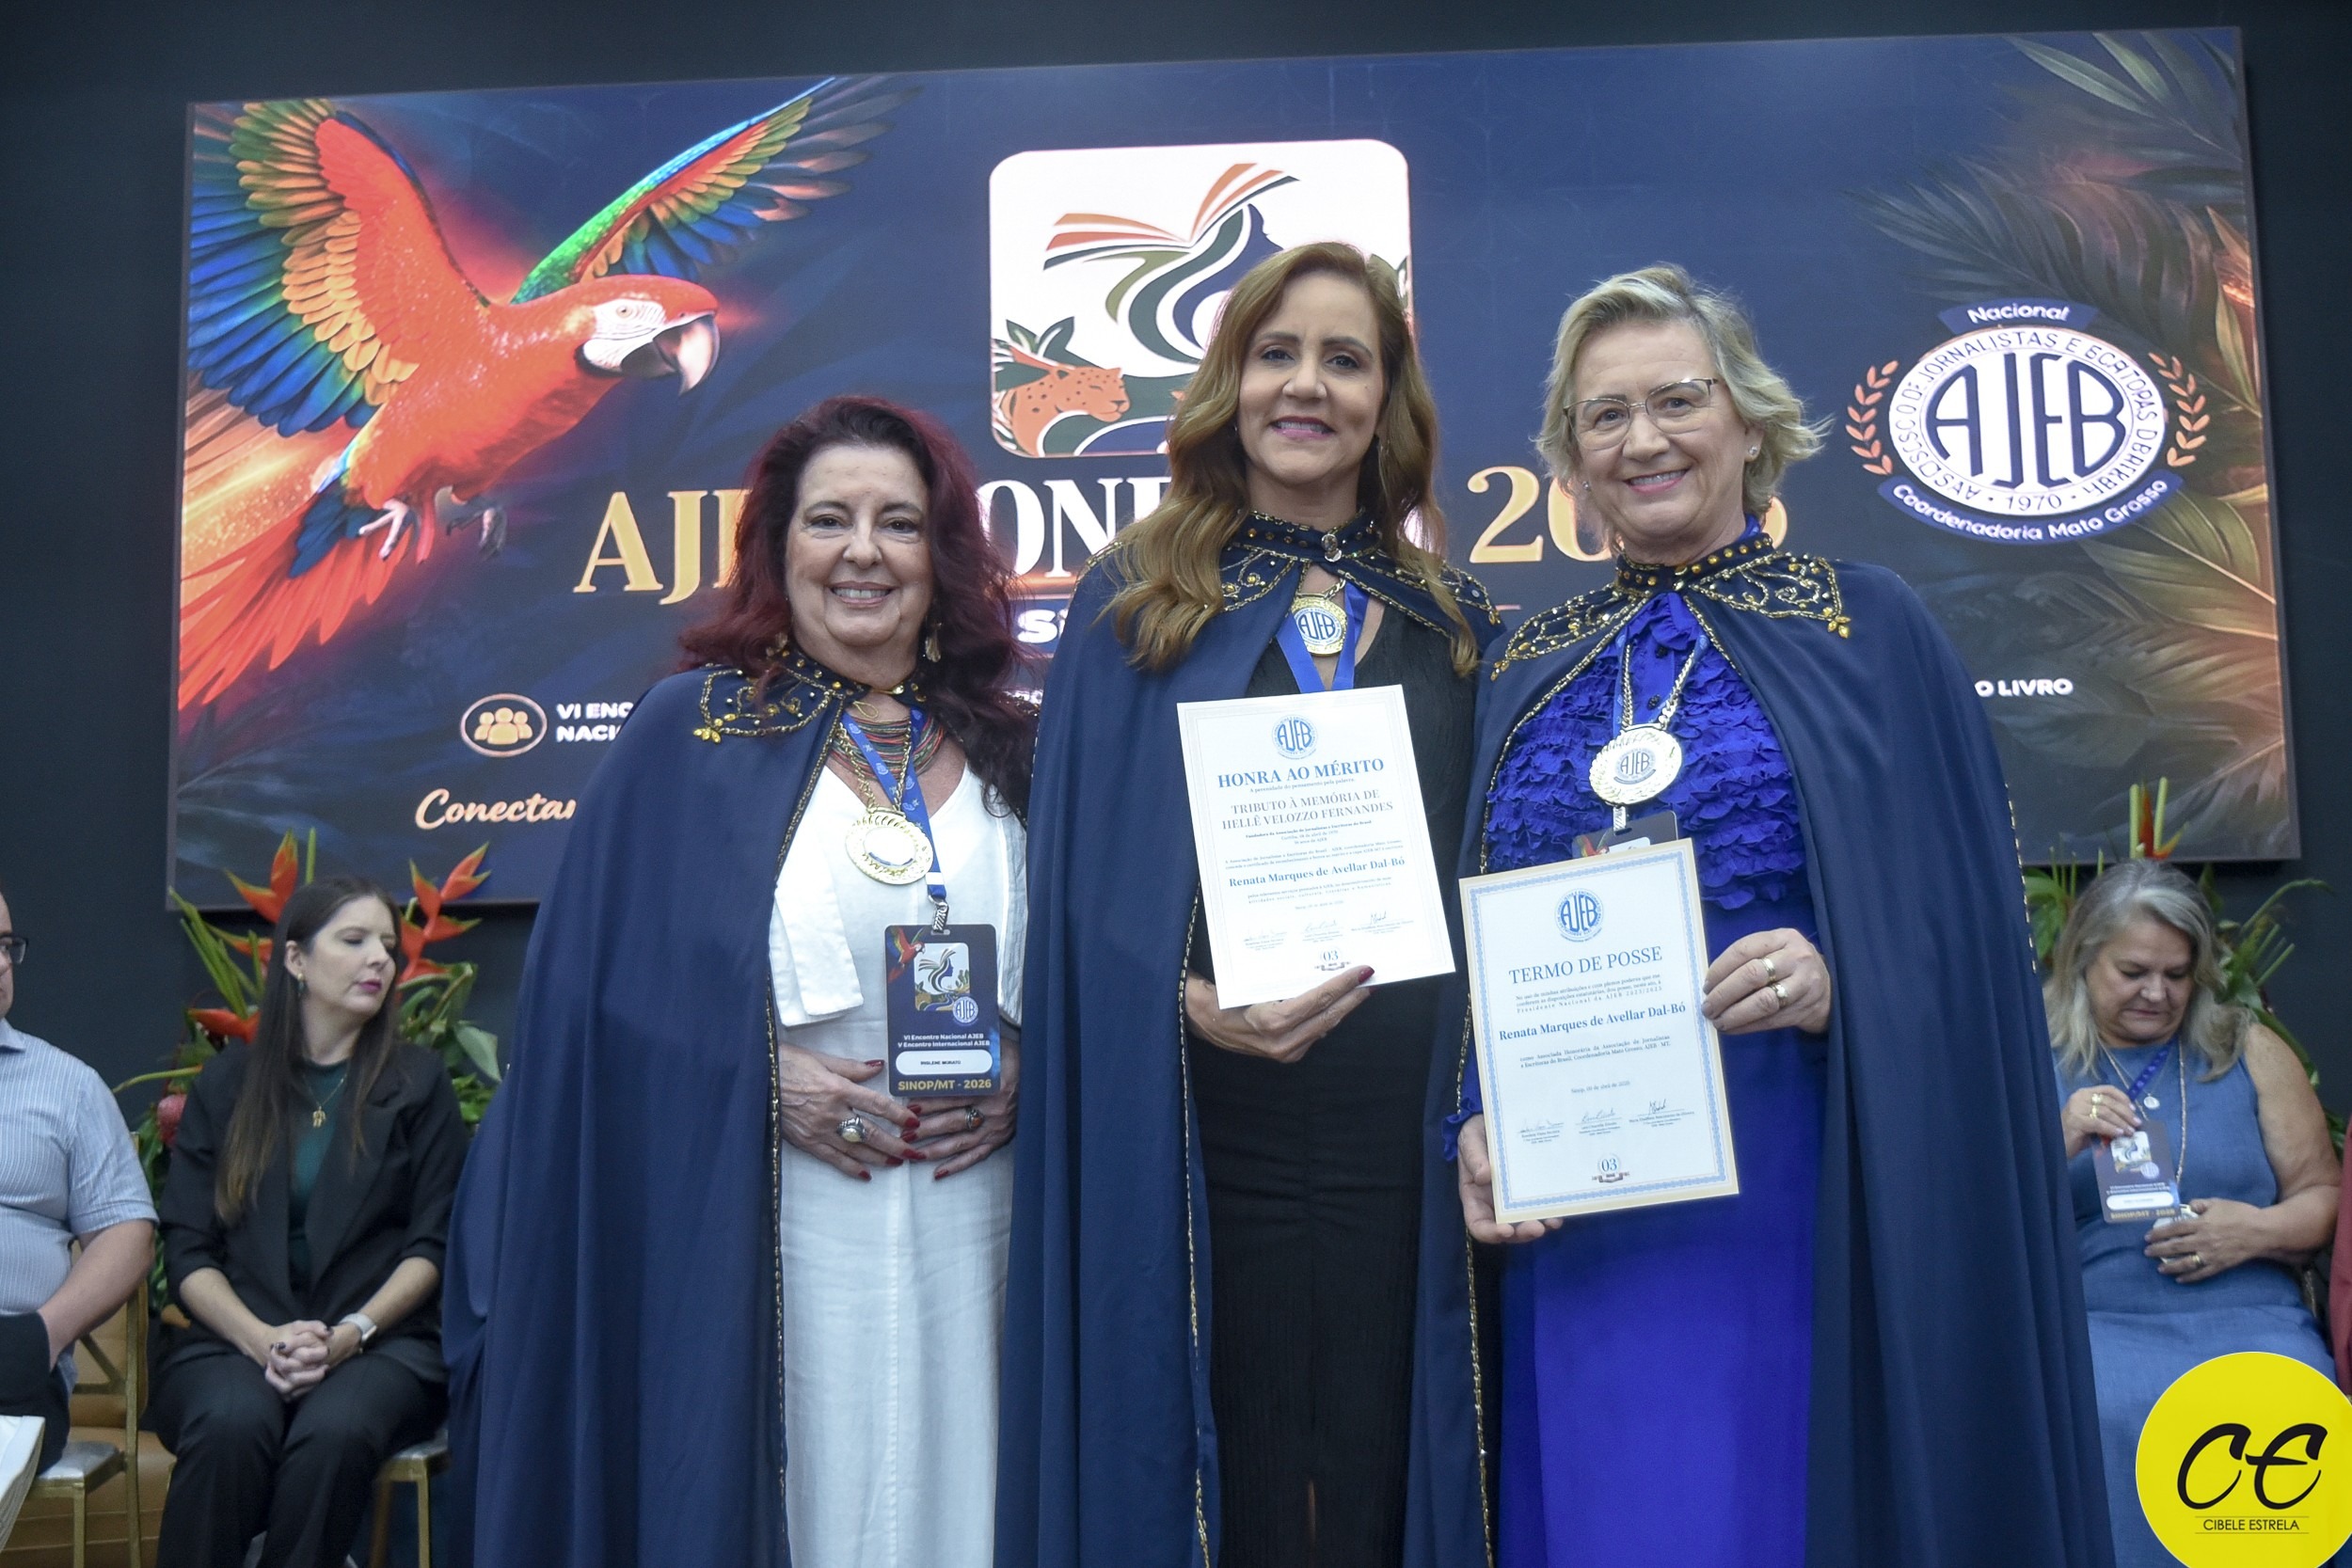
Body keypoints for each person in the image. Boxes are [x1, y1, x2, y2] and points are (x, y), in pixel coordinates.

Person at [1446, 265, 2110, 1567]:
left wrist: (1838, 971)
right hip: (1578, 1206)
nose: (1643, 439)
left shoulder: (1869, 626)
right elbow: (1477, 930)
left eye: (1677, 400)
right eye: (1603, 415)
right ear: (1567, 457)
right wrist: (1472, 1112)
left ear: (1748, 421)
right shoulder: (1525, 662)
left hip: (1803, 1174)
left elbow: (1964, 931)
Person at [445, 396, 1034, 1568]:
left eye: (898, 522)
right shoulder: (690, 733)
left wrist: (1034, 1070)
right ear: (777, 547)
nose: (863, 550)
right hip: (774, 1210)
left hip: (982, 1211)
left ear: (942, 554)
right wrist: (759, 1073)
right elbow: (587, 1009)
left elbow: (1091, 970)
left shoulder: (1016, 748)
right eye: (829, 519)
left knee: (970, 1486)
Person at [999, 242, 1502, 1568]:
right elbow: (1082, 890)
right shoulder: (1138, 602)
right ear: (1231, 382)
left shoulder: (1455, 620)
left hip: (1405, 1134)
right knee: (1244, 1466)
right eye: (1277, 353)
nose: (1307, 386)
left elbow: (1491, 866)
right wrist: (1181, 1000)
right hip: (1211, 1128)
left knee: (1389, 1466)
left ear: (1387, 399)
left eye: (1345, 359)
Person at [151, 875, 467, 1568]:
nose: (379, 958)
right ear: (295, 958)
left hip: (381, 1345)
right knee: (231, 1422)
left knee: (335, 1430)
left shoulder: (418, 1082)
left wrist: (350, 1335)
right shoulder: (227, 1084)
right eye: (353, 940)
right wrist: (262, 1339)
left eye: (387, 944)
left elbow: (433, 1244)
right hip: (237, 1339)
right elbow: (189, 1250)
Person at [2051, 858, 2341, 1568]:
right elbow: (1972, 1216)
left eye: (2177, 974)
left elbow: (2324, 1195)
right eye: (2133, 971)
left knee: (2291, 1398)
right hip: (2099, 1321)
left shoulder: (2247, 1048)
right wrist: (2055, 1140)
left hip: (2252, 1318)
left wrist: (2256, 1232)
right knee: (2104, 1407)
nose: (2157, 992)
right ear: (2084, 959)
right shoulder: (2031, 1056)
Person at [0, 884, 155, 1475]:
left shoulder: (69, 1086)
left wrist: (44, 1334)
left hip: (14, 1359)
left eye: (6, 946)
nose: (1, 964)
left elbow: (127, 1234)